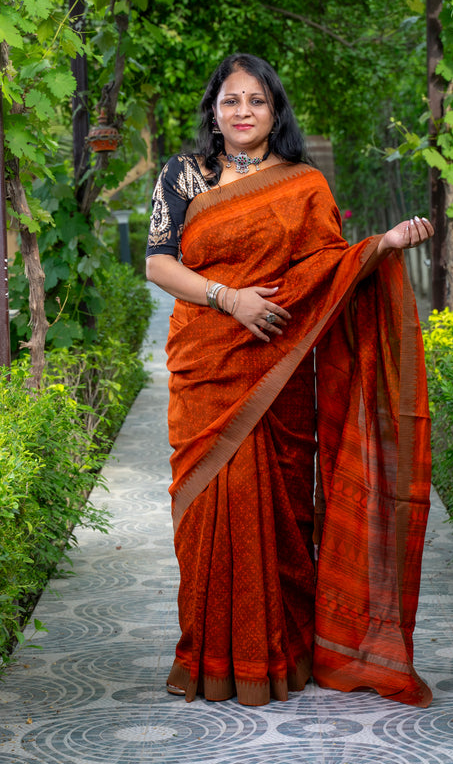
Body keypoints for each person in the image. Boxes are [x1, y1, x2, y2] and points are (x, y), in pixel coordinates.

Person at [145, 53, 434, 709]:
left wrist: (380, 247)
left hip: (274, 371)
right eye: (230, 101)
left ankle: (279, 653)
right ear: (213, 112)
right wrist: (229, 299)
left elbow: (327, 270)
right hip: (206, 366)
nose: (242, 112)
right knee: (203, 516)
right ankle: (209, 656)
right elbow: (159, 266)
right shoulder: (183, 175)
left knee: (277, 511)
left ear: (274, 112)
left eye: (255, 101)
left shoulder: (304, 184)